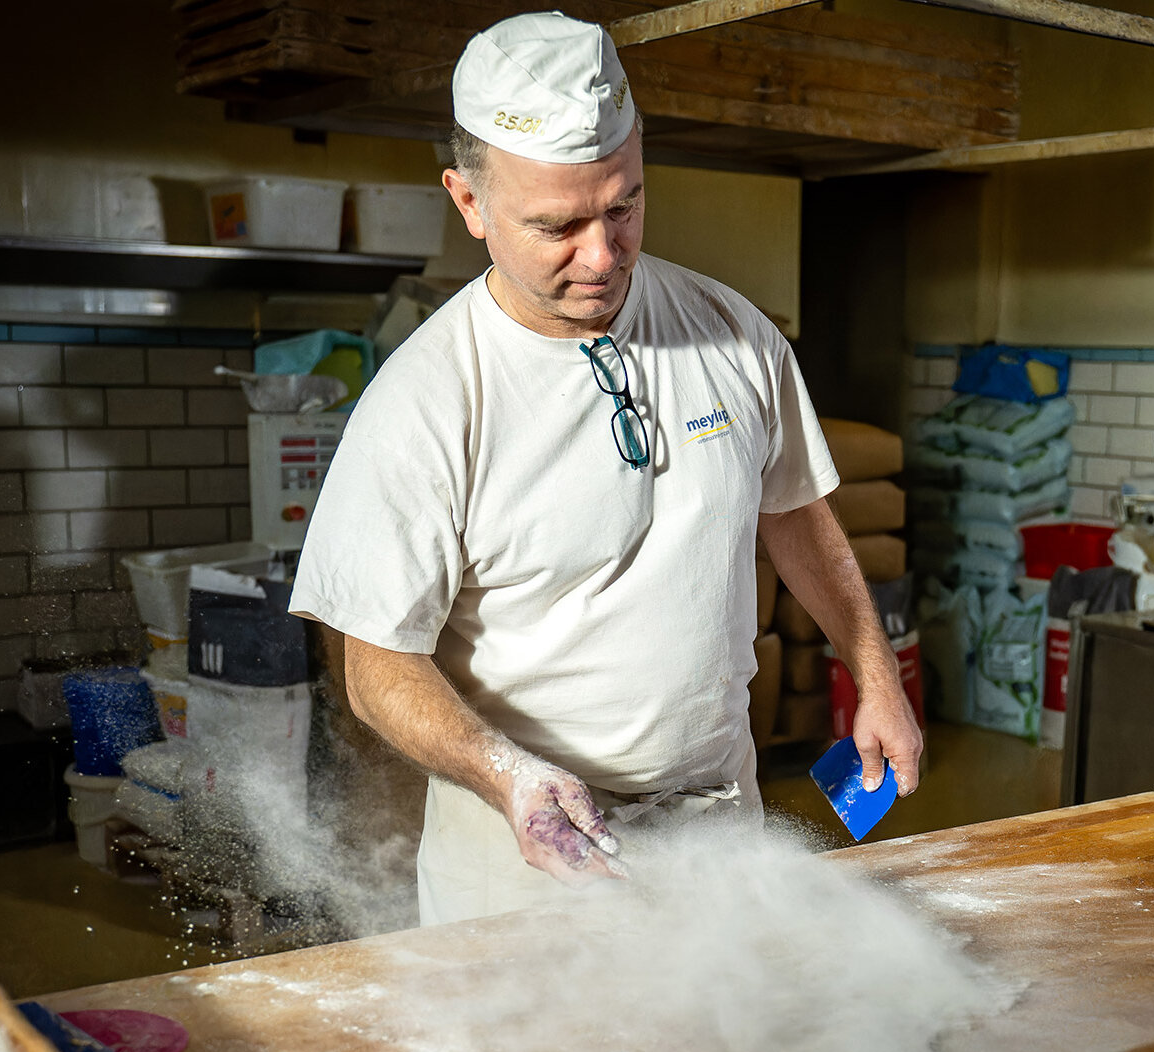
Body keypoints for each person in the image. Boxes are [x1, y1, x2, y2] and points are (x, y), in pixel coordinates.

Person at [290, 11, 921, 927]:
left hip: (715, 832)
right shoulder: (424, 401)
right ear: (468, 204)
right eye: (557, 225)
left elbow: (792, 513)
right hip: (523, 865)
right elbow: (377, 670)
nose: (601, 255)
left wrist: (876, 673)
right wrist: (504, 774)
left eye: (621, 206)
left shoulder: (732, 333)